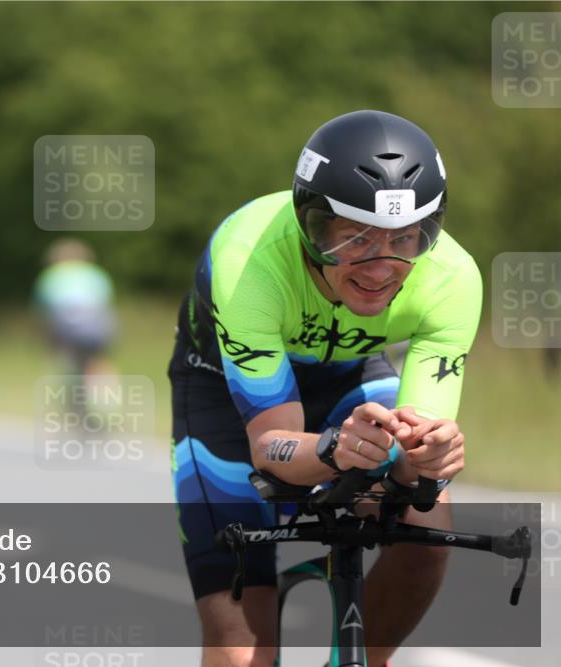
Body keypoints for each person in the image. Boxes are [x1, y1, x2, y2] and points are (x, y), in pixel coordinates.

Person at [169, 110, 479, 667]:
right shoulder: (249, 263)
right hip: (222, 389)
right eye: (355, 237)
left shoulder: (453, 280)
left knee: (427, 526)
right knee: (243, 653)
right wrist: (336, 448)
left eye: (406, 239)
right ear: (313, 224)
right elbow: (272, 448)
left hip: (347, 373)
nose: (381, 267)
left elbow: (414, 463)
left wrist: (423, 460)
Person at [34, 238, 117, 377]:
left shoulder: (52, 274)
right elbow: (106, 304)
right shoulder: (95, 273)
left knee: (65, 358)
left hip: (64, 323)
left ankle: (69, 386)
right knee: (98, 360)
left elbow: (42, 310)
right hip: (97, 324)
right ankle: (107, 391)